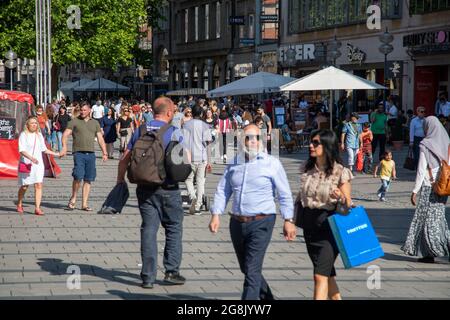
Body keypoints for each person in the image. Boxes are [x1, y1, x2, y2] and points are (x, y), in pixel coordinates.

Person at [209, 124, 296, 300]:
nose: (253, 141)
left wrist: (288, 219)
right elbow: (222, 190)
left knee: (252, 269)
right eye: (248, 138)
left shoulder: (272, 163)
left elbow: (285, 193)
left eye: (256, 137)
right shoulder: (234, 163)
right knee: (247, 268)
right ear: (242, 140)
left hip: (261, 221)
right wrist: (216, 214)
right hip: (237, 223)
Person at [116, 97, 187, 289]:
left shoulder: (141, 129)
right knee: (173, 227)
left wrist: (120, 181)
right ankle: (171, 272)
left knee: (148, 229)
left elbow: (124, 158)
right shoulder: (174, 132)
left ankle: (147, 276)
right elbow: (182, 161)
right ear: (170, 113)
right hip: (168, 188)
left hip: (144, 188)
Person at [297, 129, 353, 300]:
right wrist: (290, 220)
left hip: (329, 230)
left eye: (315, 143)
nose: (310, 146)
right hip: (309, 228)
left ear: (327, 146)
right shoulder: (307, 169)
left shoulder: (340, 171)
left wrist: (340, 196)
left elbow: (348, 202)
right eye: (311, 142)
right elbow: (300, 197)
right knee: (327, 274)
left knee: (319, 276)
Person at [402, 116, 450, 263]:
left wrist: (415, 191)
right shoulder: (447, 142)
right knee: (438, 218)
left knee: (426, 220)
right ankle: (430, 253)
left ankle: (431, 252)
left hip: (430, 188)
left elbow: (421, 170)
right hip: (443, 187)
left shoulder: (425, 144)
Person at [60, 103, 108, 211]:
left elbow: (100, 138)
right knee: (78, 176)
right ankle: (73, 198)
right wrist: (64, 147)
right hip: (79, 153)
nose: (82, 112)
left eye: (85, 110)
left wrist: (104, 152)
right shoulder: (74, 121)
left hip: (91, 154)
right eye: (81, 110)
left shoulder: (95, 123)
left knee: (88, 179)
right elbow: (65, 135)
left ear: (90, 110)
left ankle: (84, 204)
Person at [17, 117, 60, 215]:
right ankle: (19, 202)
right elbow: (21, 150)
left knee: (38, 185)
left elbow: (44, 149)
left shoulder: (39, 135)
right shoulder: (24, 135)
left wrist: (56, 154)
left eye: (35, 123)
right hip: (27, 163)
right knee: (25, 186)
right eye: (32, 123)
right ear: (27, 124)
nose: (34, 125)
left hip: (38, 165)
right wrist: (31, 158)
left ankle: (37, 208)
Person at [183, 105, 213, 215]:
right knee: (200, 181)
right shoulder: (205, 126)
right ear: (201, 114)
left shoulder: (186, 125)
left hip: (190, 157)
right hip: (202, 157)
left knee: (188, 179)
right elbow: (208, 144)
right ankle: (198, 205)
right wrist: (209, 161)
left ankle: (193, 196)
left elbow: (184, 143)